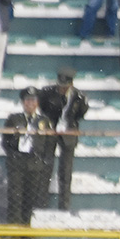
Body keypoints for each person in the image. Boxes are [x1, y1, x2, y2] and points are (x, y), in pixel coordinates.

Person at [3, 88, 57, 225]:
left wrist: (44, 162)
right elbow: (6, 141)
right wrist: (12, 156)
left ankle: (27, 229)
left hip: (35, 164)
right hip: (17, 163)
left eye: (33, 100)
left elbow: (50, 145)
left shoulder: (44, 121)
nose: (30, 104)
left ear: (37, 103)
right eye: (27, 100)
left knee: (31, 198)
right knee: (15, 196)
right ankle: (14, 228)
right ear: (22, 102)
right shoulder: (14, 119)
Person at [38, 68, 88, 212]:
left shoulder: (78, 97)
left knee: (65, 172)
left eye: (65, 86)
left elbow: (81, 113)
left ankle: (64, 207)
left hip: (68, 132)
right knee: (45, 168)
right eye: (60, 86)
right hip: (51, 131)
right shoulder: (47, 93)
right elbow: (43, 109)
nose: (61, 89)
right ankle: (42, 205)